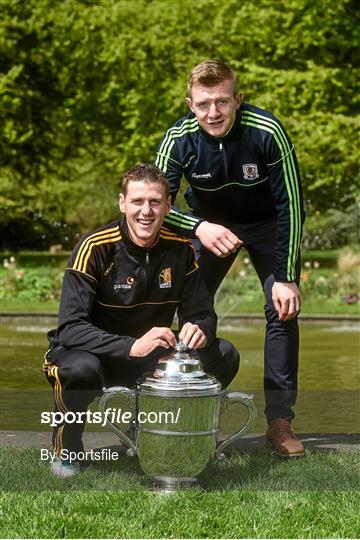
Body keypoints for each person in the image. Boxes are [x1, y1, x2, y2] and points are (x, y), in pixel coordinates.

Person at [44, 163, 239, 477]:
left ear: (167, 205)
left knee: (224, 354)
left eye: (154, 202)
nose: (145, 211)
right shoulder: (94, 247)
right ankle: (67, 448)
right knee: (78, 369)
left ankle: (163, 432)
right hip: (93, 353)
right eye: (137, 202)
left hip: (149, 355)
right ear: (123, 203)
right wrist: (131, 345)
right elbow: (70, 328)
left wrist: (200, 328)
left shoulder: (182, 250)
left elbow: (202, 313)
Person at [155, 60, 305, 457]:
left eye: (222, 101)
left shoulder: (267, 131)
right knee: (192, 307)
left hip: (266, 225)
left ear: (238, 99)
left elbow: (290, 203)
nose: (213, 113)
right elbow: (157, 203)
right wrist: (199, 226)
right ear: (190, 104)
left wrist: (287, 276)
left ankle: (279, 421)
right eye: (203, 104)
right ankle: (199, 407)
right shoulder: (178, 139)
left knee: (282, 308)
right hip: (210, 226)